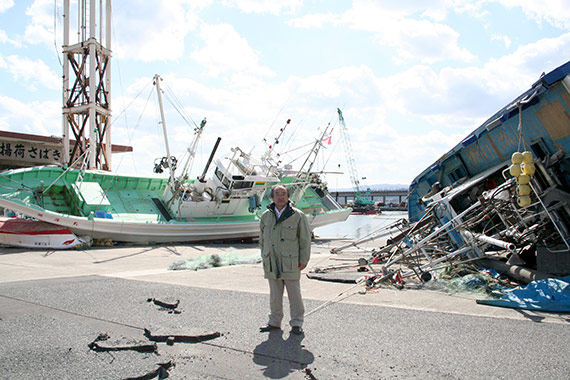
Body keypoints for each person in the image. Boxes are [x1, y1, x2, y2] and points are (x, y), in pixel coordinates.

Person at [259, 184, 311, 335]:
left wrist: (304, 259)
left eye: (283, 194)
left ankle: (297, 323)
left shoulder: (298, 215)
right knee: (275, 295)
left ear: (288, 197)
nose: (280, 197)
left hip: (291, 261)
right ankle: (274, 322)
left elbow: (305, 240)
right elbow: (262, 240)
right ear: (272, 197)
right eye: (277, 194)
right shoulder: (266, 216)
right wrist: (264, 256)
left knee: (294, 295)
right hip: (272, 261)